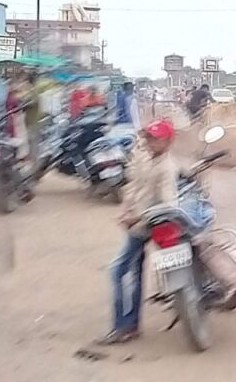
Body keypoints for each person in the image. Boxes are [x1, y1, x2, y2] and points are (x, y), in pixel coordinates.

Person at [97, 119, 178, 345]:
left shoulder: (167, 168)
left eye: (155, 138)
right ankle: (131, 325)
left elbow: (168, 204)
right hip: (135, 222)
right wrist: (125, 211)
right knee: (135, 271)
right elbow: (133, 185)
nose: (150, 141)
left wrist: (137, 217)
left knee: (117, 271)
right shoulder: (144, 156)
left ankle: (121, 326)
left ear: (168, 141)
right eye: (149, 137)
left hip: (145, 226)